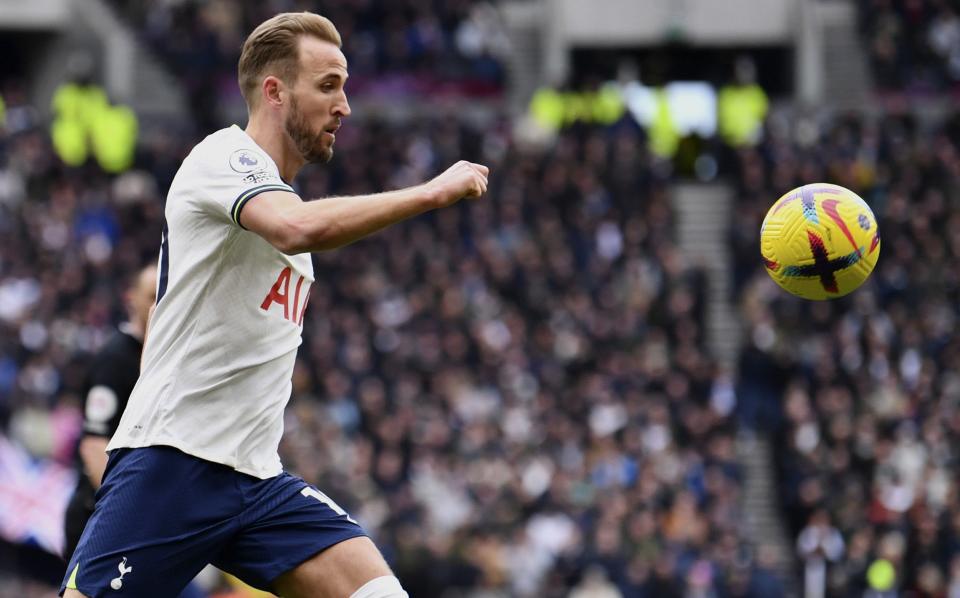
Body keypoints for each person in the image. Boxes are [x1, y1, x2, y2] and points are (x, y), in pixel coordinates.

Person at [61, 11, 488, 598]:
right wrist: (430, 192)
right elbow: (293, 228)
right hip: (173, 465)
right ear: (274, 92)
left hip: (255, 480)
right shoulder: (222, 158)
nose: (345, 106)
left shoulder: (284, 204)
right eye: (328, 85)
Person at [62, 264, 156, 563]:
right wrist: (128, 512)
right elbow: (93, 446)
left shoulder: (163, 359)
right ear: (131, 298)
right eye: (152, 296)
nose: (159, 305)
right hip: (100, 519)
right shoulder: (115, 359)